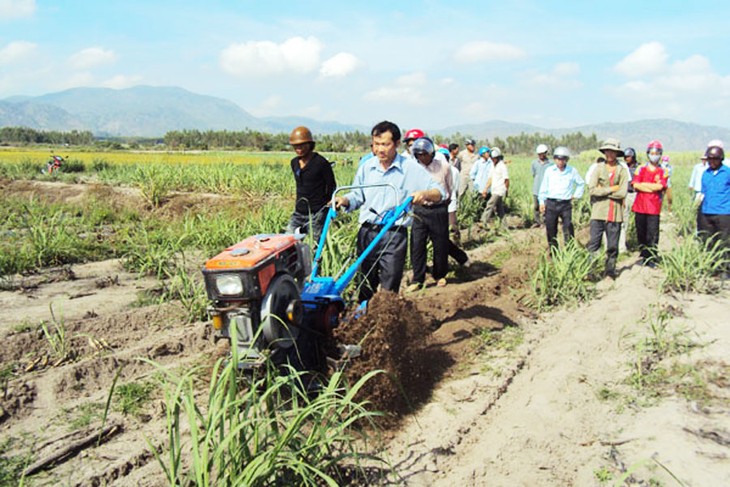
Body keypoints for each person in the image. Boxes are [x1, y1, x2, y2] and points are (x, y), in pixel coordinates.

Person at [334, 121, 445, 303]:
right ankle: (362, 317)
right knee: (365, 282)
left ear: (397, 144)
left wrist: (424, 194)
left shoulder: (410, 168)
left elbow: (439, 192)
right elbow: (357, 195)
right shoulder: (367, 167)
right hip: (368, 232)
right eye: (376, 144)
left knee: (390, 283)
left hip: (393, 235)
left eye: (385, 144)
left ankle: (386, 323)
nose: (380, 149)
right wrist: (344, 200)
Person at [406, 137, 453, 290]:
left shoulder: (443, 166)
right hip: (419, 210)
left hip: (438, 209)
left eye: (425, 154)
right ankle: (417, 279)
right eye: (419, 154)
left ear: (431, 153)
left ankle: (440, 275)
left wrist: (444, 202)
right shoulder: (413, 168)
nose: (422, 157)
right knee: (417, 244)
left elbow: (449, 187)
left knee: (440, 244)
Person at [587, 139, 630, 278]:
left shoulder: (622, 171)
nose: (610, 154)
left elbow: (622, 192)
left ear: (617, 153)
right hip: (598, 212)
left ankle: (610, 271)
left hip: (615, 213)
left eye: (613, 151)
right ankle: (590, 271)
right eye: (607, 151)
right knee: (594, 244)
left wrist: (603, 190)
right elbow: (592, 190)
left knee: (612, 245)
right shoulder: (598, 169)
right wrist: (612, 189)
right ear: (604, 152)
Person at [286, 126, 336, 242]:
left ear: (310, 144)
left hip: (316, 213)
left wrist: (326, 206)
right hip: (299, 212)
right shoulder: (294, 163)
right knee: (288, 241)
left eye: (302, 145)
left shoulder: (321, 163)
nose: (299, 149)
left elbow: (331, 185)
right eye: (296, 146)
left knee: (314, 245)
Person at [538, 146, 585, 251]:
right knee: (551, 229)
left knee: (568, 228)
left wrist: (576, 195)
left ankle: (569, 251)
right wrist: (541, 202)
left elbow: (581, 183)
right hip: (551, 203)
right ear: (554, 159)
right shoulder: (549, 171)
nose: (560, 161)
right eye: (558, 159)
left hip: (565, 204)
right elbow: (544, 187)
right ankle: (554, 252)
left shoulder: (572, 171)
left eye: (563, 159)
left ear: (566, 160)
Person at [631, 140, 669, 267]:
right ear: (648, 154)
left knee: (652, 234)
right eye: (652, 152)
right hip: (640, 206)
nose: (654, 155)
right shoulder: (640, 168)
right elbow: (636, 184)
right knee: (641, 232)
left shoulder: (663, 170)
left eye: (657, 152)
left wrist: (644, 186)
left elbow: (660, 186)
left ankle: (652, 257)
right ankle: (643, 255)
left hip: (654, 207)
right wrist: (651, 187)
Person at [697, 144, 730, 277]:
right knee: (707, 241)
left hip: (724, 213)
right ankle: (710, 267)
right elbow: (703, 192)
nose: (711, 161)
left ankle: (724, 269)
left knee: (724, 242)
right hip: (706, 212)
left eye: (714, 159)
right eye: (709, 159)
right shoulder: (706, 173)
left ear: (720, 159)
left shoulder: (727, 173)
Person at [480, 147, 509, 226]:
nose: (493, 160)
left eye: (494, 158)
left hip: (499, 190)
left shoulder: (502, 166)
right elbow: (490, 178)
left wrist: (506, 190)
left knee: (490, 204)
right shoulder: (492, 166)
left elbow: (506, 180)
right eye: (492, 158)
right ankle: (504, 226)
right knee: (500, 209)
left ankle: (483, 222)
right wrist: (485, 189)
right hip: (494, 189)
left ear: (498, 157)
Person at [619, 147, 639, 252]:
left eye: (629, 156)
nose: (627, 158)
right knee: (624, 219)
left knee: (639, 219)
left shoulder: (639, 168)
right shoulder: (622, 167)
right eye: (625, 157)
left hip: (636, 194)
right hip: (625, 194)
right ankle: (622, 246)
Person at [531, 144, 552, 227]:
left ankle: (545, 222)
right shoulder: (534, 163)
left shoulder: (551, 164)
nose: (540, 156)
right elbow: (534, 174)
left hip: (547, 190)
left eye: (542, 154)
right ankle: (537, 222)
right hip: (536, 189)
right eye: (539, 154)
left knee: (545, 207)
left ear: (546, 153)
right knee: (536, 207)